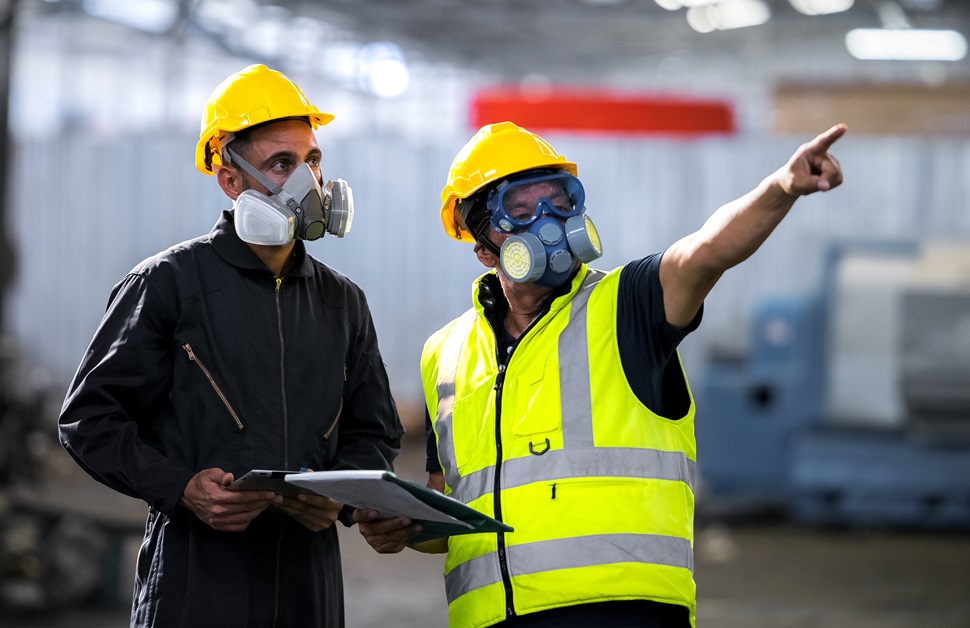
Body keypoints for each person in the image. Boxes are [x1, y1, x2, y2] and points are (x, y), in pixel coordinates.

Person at [352, 120, 846, 627]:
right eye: (520, 211)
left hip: (620, 611)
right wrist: (407, 527)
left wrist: (783, 187)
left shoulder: (627, 304)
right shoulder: (445, 352)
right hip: (491, 618)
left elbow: (706, 251)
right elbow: (449, 504)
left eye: (560, 201)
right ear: (483, 247)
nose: (546, 221)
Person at [57, 64, 404, 628]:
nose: (308, 182)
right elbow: (89, 419)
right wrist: (181, 488)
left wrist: (338, 497)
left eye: (312, 159)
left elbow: (376, 430)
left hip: (307, 585)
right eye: (282, 163)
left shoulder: (342, 302)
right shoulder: (168, 284)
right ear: (231, 180)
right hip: (196, 580)